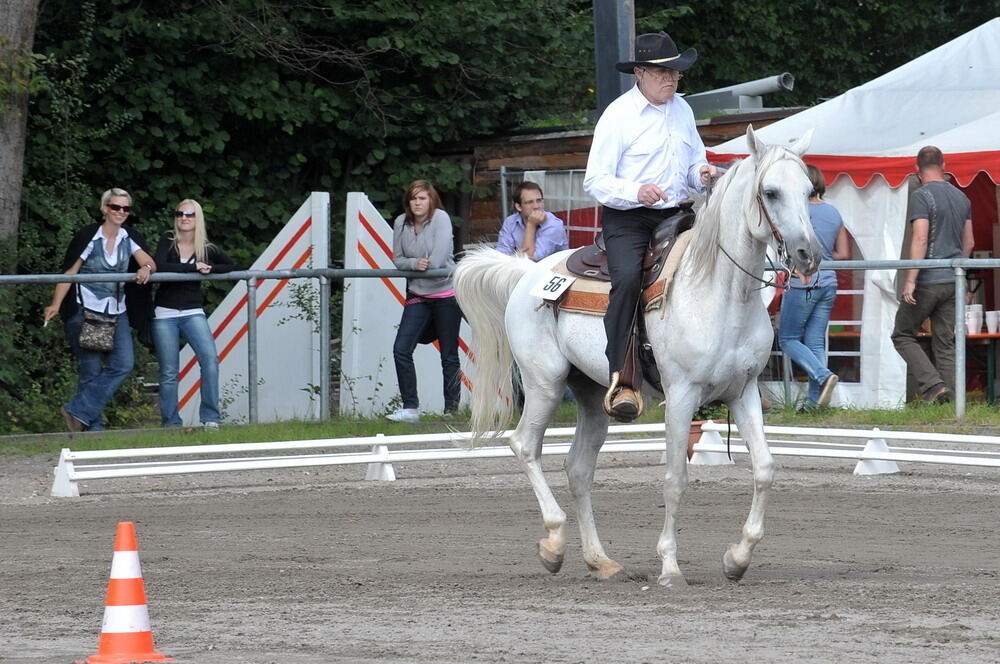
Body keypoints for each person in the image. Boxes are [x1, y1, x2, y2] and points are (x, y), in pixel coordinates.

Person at [583, 31, 716, 421]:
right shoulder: (618, 116)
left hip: (678, 212)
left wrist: (702, 173)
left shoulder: (683, 110)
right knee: (626, 280)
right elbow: (595, 180)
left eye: (675, 73)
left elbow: (693, 164)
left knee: (717, 262)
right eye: (663, 73)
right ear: (639, 73)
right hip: (629, 217)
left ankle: (717, 367)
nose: (671, 80)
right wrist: (635, 191)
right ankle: (622, 376)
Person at [42, 188, 156, 432]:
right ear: (105, 209)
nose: (121, 212)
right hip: (86, 307)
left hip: (117, 309)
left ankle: (77, 411)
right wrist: (56, 304)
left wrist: (145, 267)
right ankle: (94, 430)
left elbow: (149, 261)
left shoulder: (130, 236)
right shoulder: (88, 236)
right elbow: (70, 273)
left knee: (124, 364)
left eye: (125, 208)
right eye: (116, 207)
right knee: (90, 368)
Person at [891, 146, 974, 404]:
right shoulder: (962, 198)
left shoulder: (921, 195)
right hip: (953, 280)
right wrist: (961, 275)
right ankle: (951, 405)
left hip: (928, 279)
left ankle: (933, 386)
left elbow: (921, 237)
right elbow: (969, 243)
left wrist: (911, 279)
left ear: (917, 170)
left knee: (902, 334)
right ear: (944, 165)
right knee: (945, 343)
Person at [152, 199, 235, 429]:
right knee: (169, 370)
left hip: (192, 310)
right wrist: (193, 267)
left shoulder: (206, 248)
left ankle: (210, 418)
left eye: (189, 214)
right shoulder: (168, 240)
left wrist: (209, 268)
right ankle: (171, 423)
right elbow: (160, 265)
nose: (184, 218)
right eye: (179, 214)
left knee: (210, 360)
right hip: (165, 312)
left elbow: (230, 265)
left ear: (198, 218)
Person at [387, 180, 462, 422]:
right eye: (413, 198)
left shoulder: (441, 218)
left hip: (445, 294)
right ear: (408, 202)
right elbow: (398, 260)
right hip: (418, 294)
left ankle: (451, 409)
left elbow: (438, 261)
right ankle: (410, 408)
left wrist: (419, 264)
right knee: (401, 348)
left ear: (431, 200)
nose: (418, 203)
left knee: (449, 354)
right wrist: (414, 264)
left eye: (422, 198)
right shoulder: (400, 222)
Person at [778, 165, 851, 409]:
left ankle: (823, 375)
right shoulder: (834, 213)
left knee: (787, 339)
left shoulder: (798, 212)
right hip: (829, 281)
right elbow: (844, 253)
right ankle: (813, 403)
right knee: (815, 342)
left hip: (803, 280)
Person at [496, 181, 568, 261]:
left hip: (550, 271)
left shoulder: (554, 225)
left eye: (539, 200)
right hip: (520, 271)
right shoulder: (510, 222)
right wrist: (516, 257)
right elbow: (500, 256)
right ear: (519, 207)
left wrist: (531, 224)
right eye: (530, 202)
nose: (536, 206)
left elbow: (530, 260)